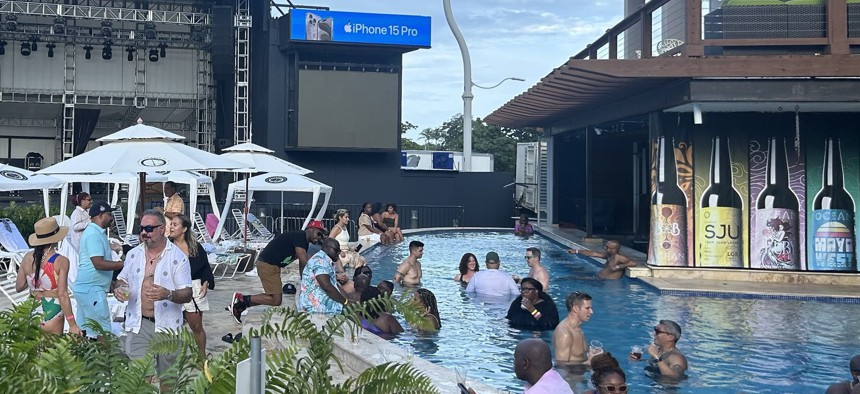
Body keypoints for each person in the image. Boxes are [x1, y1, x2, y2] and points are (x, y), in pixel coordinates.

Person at [114, 210, 192, 387]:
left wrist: (168, 294)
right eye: (141, 228)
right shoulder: (133, 254)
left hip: (168, 326)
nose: (144, 232)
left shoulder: (178, 258)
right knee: (140, 377)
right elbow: (122, 279)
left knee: (168, 381)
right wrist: (119, 288)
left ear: (162, 229)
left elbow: (187, 294)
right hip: (139, 323)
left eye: (149, 228)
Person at [229, 220, 327, 323]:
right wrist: (318, 277)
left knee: (273, 297)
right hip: (268, 265)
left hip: (271, 266)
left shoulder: (304, 242)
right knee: (276, 300)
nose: (319, 237)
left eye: (321, 235)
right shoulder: (300, 236)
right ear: (310, 230)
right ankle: (242, 299)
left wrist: (305, 281)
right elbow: (304, 261)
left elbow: (302, 265)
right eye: (318, 233)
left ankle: (239, 305)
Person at [15, 218, 81, 335]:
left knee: (35, 350)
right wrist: (72, 324)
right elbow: (62, 294)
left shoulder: (27, 258)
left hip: (32, 308)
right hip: (52, 309)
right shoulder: (61, 261)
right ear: (55, 238)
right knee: (51, 350)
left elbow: (19, 287)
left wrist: (34, 278)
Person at [73, 201, 124, 339]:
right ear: (101, 215)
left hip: (86, 288)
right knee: (103, 330)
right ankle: (106, 359)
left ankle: (77, 358)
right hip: (92, 289)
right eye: (109, 214)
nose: (111, 218)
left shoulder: (95, 232)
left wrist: (111, 282)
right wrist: (122, 264)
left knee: (83, 330)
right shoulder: (94, 235)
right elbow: (98, 263)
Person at [168, 214, 214, 361]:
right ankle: (170, 359)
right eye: (171, 224)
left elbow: (205, 267)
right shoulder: (166, 246)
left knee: (196, 327)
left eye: (175, 224)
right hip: (171, 288)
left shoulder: (195, 246)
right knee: (169, 328)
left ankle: (202, 358)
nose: (171, 227)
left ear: (184, 229)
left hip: (194, 287)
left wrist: (206, 282)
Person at [297, 237, 349, 314]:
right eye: (336, 250)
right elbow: (327, 286)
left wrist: (346, 299)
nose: (338, 253)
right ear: (327, 248)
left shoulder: (324, 260)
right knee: (356, 313)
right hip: (315, 307)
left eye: (339, 250)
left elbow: (333, 284)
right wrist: (345, 302)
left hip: (321, 302)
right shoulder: (320, 261)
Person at [554, 291, 600, 365]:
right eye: (587, 308)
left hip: (581, 374)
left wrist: (592, 356)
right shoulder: (564, 334)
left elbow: (579, 358)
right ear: (575, 309)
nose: (591, 312)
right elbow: (561, 367)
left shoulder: (578, 329)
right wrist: (589, 362)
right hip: (571, 376)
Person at [568, 240, 637, 279]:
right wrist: (577, 251)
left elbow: (633, 263)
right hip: (600, 280)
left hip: (609, 283)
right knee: (573, 278)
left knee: (573, 278)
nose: (605, 248)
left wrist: (617, 267)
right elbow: (593, 253)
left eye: (607, 247)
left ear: (613, 249)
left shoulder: (618, 257)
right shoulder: (608, 255)